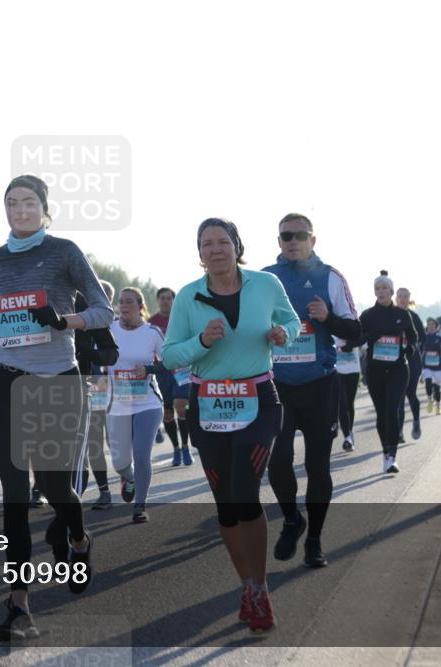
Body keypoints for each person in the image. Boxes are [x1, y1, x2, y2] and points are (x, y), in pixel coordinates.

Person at [0, 174, 112, 641]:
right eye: (12, 203)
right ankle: (19, 606)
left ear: (44, 207)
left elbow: (104, 311)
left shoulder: (64, 252)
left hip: (58, 379)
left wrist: (63, 320)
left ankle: (77, 538)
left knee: (57, 487)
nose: (20, 210)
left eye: (29, 202)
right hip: (9, 381)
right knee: (15, 497)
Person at [163, 218, 300, 634]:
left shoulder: (265, 285)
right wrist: (201, 342)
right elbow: (169, 357)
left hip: (258, 400)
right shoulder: (189, 296)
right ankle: (246, 584)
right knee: (226, 503)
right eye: (207, 244)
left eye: (223, 241)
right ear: (199, 252)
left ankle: (259, 588)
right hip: (209, 406)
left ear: (237, 246)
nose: (216, 249)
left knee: (245, 492)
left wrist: (283, 334)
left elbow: (292, 324)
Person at [263, 213, 361, 568]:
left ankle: (315, 540)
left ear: (312, 240)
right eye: (286, 236)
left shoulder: (330, 277)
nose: (292, 241)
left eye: (299, 235)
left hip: (320, 386)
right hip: (277, 386)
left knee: (318, 467)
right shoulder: (263, 279)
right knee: (277, 460)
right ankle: (292, 518)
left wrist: (327, 319)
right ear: (279, 242)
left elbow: (356, 333)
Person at [349, 272, 418, 474]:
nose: (380, 291)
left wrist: (410, 348)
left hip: (398, 368)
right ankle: (385, 450)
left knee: (392, 410)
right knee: (381, 414)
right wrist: (352, 344)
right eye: (377, 288)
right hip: (376, 369)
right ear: (375, 292)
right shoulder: (369, 315)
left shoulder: (402, 314)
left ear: (391, 291)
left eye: (384, 288)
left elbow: (413, 337)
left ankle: (392, 457)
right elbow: (358, 337)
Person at [106, 287, 164, 523]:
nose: (124, 306)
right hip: (118, 403)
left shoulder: (152, 332)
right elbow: (95, 359)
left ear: (140, 306)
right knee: (119, 459)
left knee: (141, 453)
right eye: (121, 302)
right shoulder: (108, 330)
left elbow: (170, 361)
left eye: (129, 302)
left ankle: (140, 505)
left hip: (147, 403)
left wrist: (148, 369)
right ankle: (128, 477)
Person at [71, 280, 119, 509]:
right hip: (64, 386)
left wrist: (88, 353)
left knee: (93, 440)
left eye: (106, 297)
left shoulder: (100, 320)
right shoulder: (66, 310)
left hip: (95, 385)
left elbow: (111, 355)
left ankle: (104, 490)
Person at [149, 287, 194, 466]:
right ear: (158, 301)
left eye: (169, 298)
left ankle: (185, 446)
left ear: (174, 301)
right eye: (162, 298)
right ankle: (175, 448)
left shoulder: (182, 319)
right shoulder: (151, 323)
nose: (165, 301)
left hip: (182, 369)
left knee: (181, 406)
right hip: (162, 371)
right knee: (167, 413)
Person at [395, 288, 425, 442]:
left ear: (409, 299)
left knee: (410, 394)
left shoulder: (413, 317)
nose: (402, 299)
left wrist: (411, 342)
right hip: (395, 360)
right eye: (400, 296)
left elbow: (423, 338)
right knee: (398, 398)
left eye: (405, 296)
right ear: (395, 297)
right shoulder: (390, 315)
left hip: (412, 360)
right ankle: (399, 432)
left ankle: (416, 421)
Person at [334, 336, 361, 451]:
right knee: (342, 403)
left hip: (353, 368)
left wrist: (351, 343)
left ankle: (349, 431)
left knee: (349, 404)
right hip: (336, 369)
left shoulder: (354, 321)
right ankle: (347, 437)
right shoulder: (329, 320)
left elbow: (362, 343)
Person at [420, 318, 441, 415]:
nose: (430, 326)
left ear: (436, 326)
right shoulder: (424, 337)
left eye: (432, 325)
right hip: (427, 366)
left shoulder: (440, 337)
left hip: (438, 366)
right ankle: (430, 400)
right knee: (428, 382)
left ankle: (438, 407)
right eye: (429, 325)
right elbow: (419, 349)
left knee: (437, 388)